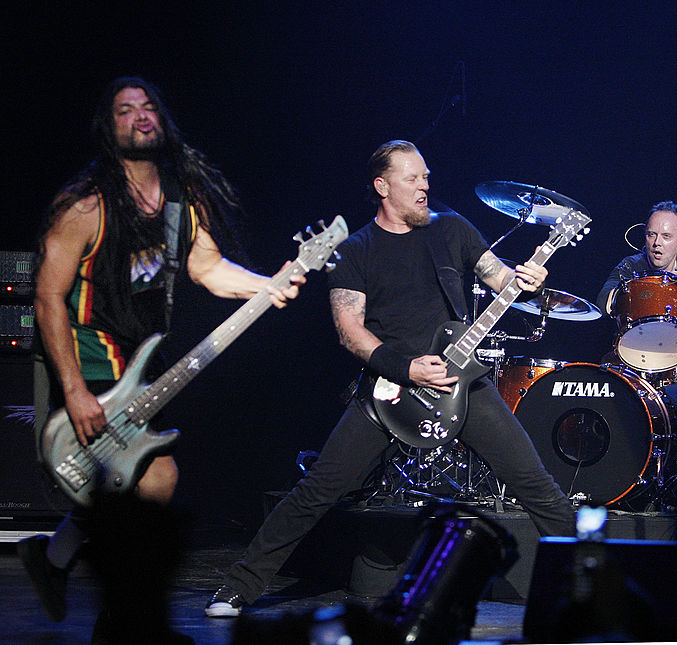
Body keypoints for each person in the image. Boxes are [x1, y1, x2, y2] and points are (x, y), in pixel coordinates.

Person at [205, 139, 576, 617]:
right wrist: (407, 367)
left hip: (460, 378)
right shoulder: (355, 250)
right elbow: (349, 332)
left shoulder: (453, 229)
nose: (425, 186)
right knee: (318, 490)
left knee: (537, 485)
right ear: (383, 186)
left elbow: (497, 277)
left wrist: (525, 280)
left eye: (425, 177)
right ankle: (238, 587)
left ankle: (592, 587)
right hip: (389, 390)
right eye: (413, 178)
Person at [18, 77, 303, 635]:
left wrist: (267, 284)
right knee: (144, 482)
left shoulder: (180, 202)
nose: (140, 116)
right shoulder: (85, 205)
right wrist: (73, 389)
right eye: (125, 110)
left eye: (148, 106)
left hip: (138, 358)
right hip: (88, 352)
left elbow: (209, 269)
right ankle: (110, 605)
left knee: (152, 482)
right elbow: (48, 296)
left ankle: (57, 564)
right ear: (110, 128)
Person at [596, 200, 677, 316]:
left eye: (666, 236)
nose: (657, 242)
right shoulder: (630, 265)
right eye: (651, 234)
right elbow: (601, 304)